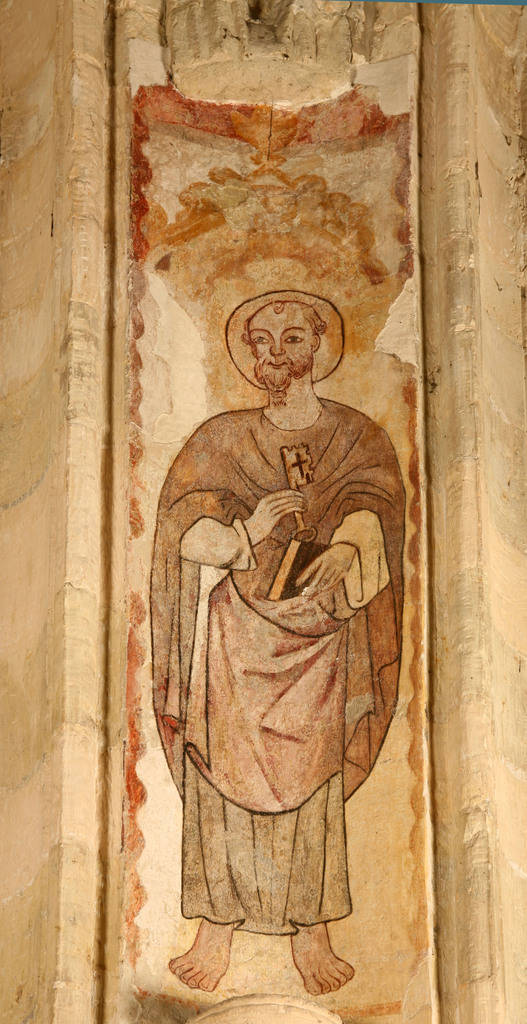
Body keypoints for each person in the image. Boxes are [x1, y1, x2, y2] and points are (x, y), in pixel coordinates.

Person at [150, 291, 405, 995]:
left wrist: (350, 549)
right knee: (218, 772)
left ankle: (311, 930)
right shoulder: (221, 439)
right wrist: (248, 532)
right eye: (261, 341)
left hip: (321, 643)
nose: (276, 355)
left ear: (319, 345)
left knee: (314, 776)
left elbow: (378, 511)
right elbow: (180, 531)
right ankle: (215, 927)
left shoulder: (358, 437)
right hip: (236, 639)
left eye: (292, 338)